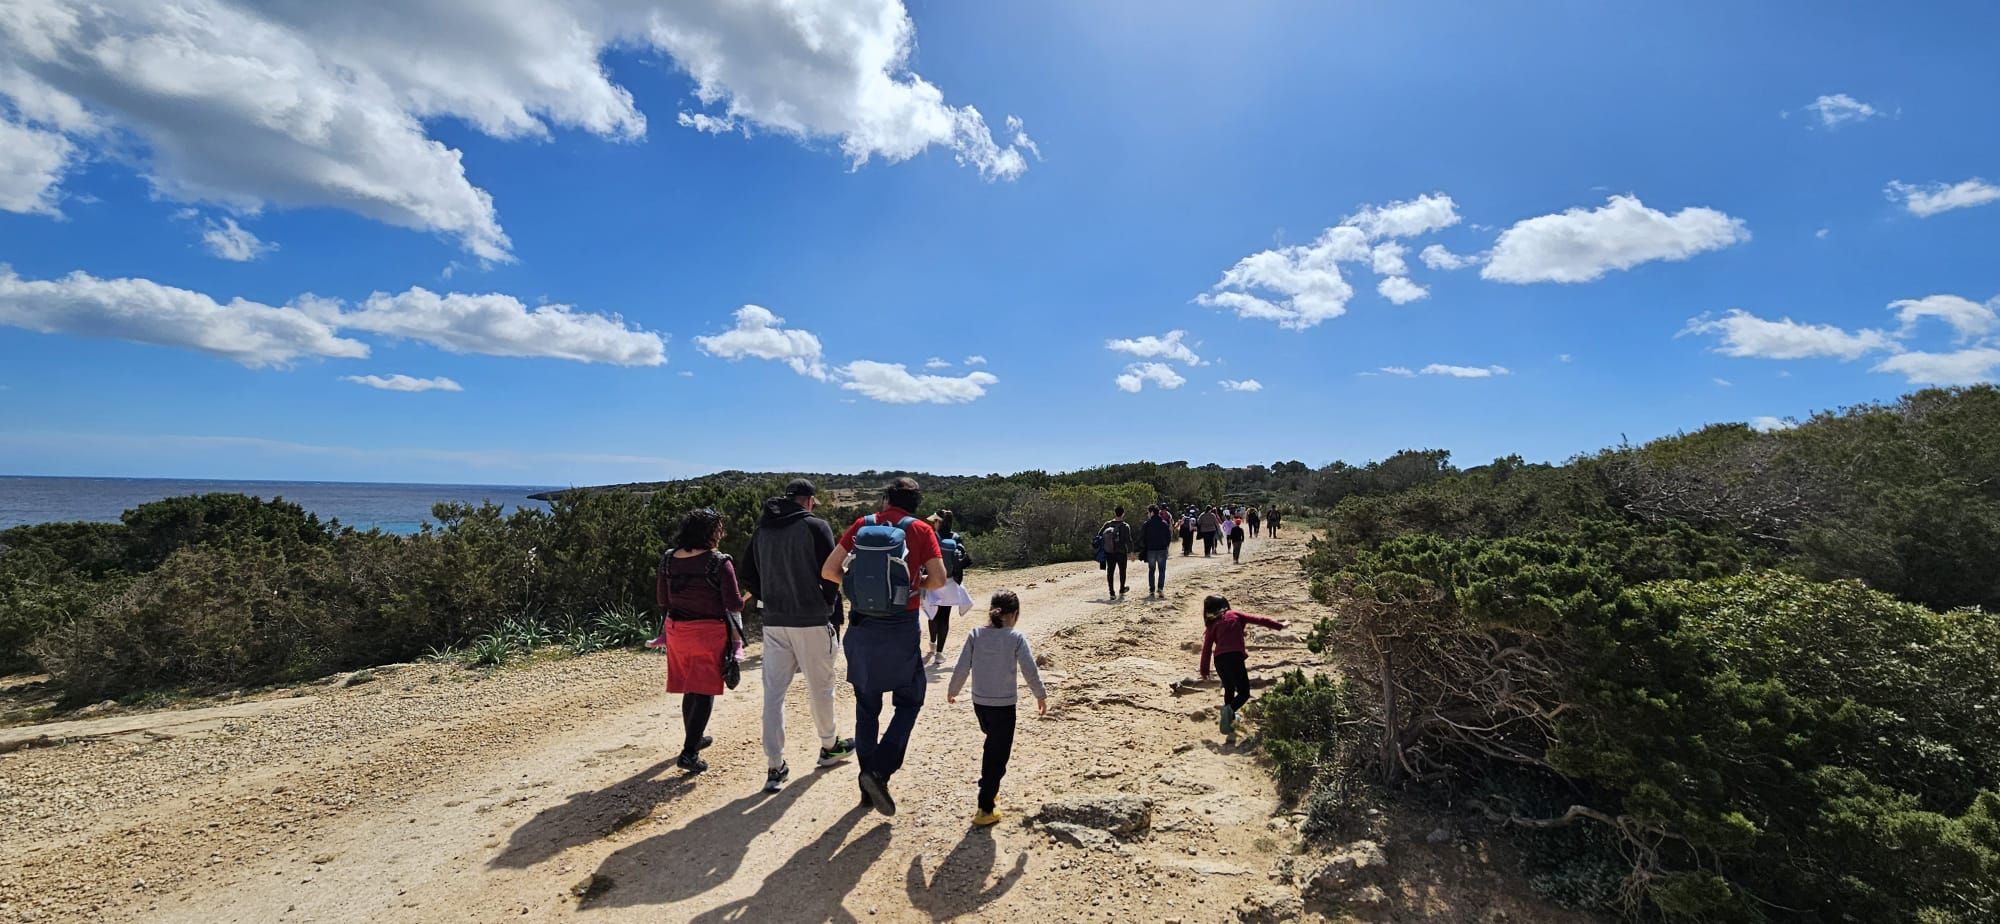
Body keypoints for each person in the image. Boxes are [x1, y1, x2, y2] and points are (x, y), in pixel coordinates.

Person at [821, 477, 948, 816]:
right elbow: (938, 579)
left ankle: (866, 785)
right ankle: (880, 771)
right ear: (915, 503)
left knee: (867, 706)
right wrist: (912, 582)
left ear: (887, 498)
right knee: (910, 698)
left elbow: (829, 570)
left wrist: (857, 585)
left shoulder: (863, 524)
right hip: (900, 627)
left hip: (862, 627)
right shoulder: (922, 530)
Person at [739, 479, 856, 793]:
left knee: (773, 694)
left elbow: (746, 571)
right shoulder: (815, 527)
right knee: (820, 687)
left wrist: (767, 596)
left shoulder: (762, 529)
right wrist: (828, 603)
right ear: (809, 500)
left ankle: (775, 765)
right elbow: (831, 572)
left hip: (774, 621)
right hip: (811, 619)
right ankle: (829, 746)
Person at [947, 590, 1047, 826]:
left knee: (992, 743)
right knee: (997, 755)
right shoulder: (1016, 637)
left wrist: (953, 690)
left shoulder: (975, 634)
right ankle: (986, 806)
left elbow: (962, 666)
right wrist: (1040, 695)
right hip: (1003, 706)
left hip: (979, 704)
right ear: (1014, 614)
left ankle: (990, 787)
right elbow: (1029, 670)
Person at [657, 508, 744, 774]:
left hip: (677, 631)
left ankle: (694, 737)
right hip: (708, 633)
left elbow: (663, 599)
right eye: (719, 529)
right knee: (705, 690)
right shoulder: (719, 562)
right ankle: (689, 751)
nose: (722, 534)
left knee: (690, 688)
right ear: (710, 533)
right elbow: (734, 603)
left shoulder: (668, 559)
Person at [1197, 595, 1287, 746]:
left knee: (1229, 690)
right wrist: (1280, 625)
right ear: (1226, 604)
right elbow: (1259, 620)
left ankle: (1230, 731)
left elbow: (1206, 649)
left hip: (1220, 660)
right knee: (1244, 692)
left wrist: (1204, 670)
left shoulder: (1213, 624)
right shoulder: (1235, 615)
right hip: (1234, 658)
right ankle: (1228, 712)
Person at [926, 510, 973, 666]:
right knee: (944, 617)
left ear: (939, 522)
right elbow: (963, 558)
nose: (934, 523)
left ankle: (932, 644)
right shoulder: (956, 537)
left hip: (934, 579)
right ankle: (939, 654)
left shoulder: (933, 536)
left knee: (933, 615)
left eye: (935, 521)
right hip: (951, 582)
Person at [1097, 506, 1134, 599]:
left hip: (1110, 552)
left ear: (1115, 513)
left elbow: (1099, 535)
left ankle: (1112, 593)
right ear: (1123, 513)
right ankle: (1121, 589)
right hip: (1121, 552)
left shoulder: (1108, 524)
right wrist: (1131, 552)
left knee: (1110, 572)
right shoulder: (1125, 526)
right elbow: (1128, 540)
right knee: (1122, 571)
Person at [1140, 503, 1173, 597]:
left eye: (1148, 512)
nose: (1147, 514)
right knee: (1162, 570)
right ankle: (1160, 589)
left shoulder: (1147, 524)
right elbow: (1168, 536)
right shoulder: (1164, 523)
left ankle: (1151, 590)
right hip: (1162, 549)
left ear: (1151, 512)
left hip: (1151, 550)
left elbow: (1143, 537)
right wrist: (1166, 545)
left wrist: (1145, 547)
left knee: (1151, 570)